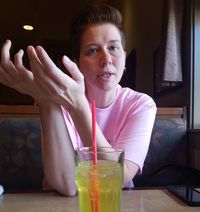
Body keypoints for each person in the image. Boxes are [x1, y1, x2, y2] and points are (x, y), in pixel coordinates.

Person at [0, 4, 156, 196]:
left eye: (113, 48)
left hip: (119, 209)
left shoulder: (141, 105)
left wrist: (78, 106)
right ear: (76, 64)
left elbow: (119, 177)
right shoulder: (60, 103)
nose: (106, 59)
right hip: (63, 210)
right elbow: (66, 185)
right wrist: (46, 101)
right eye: (92, 50)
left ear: (124, 57)